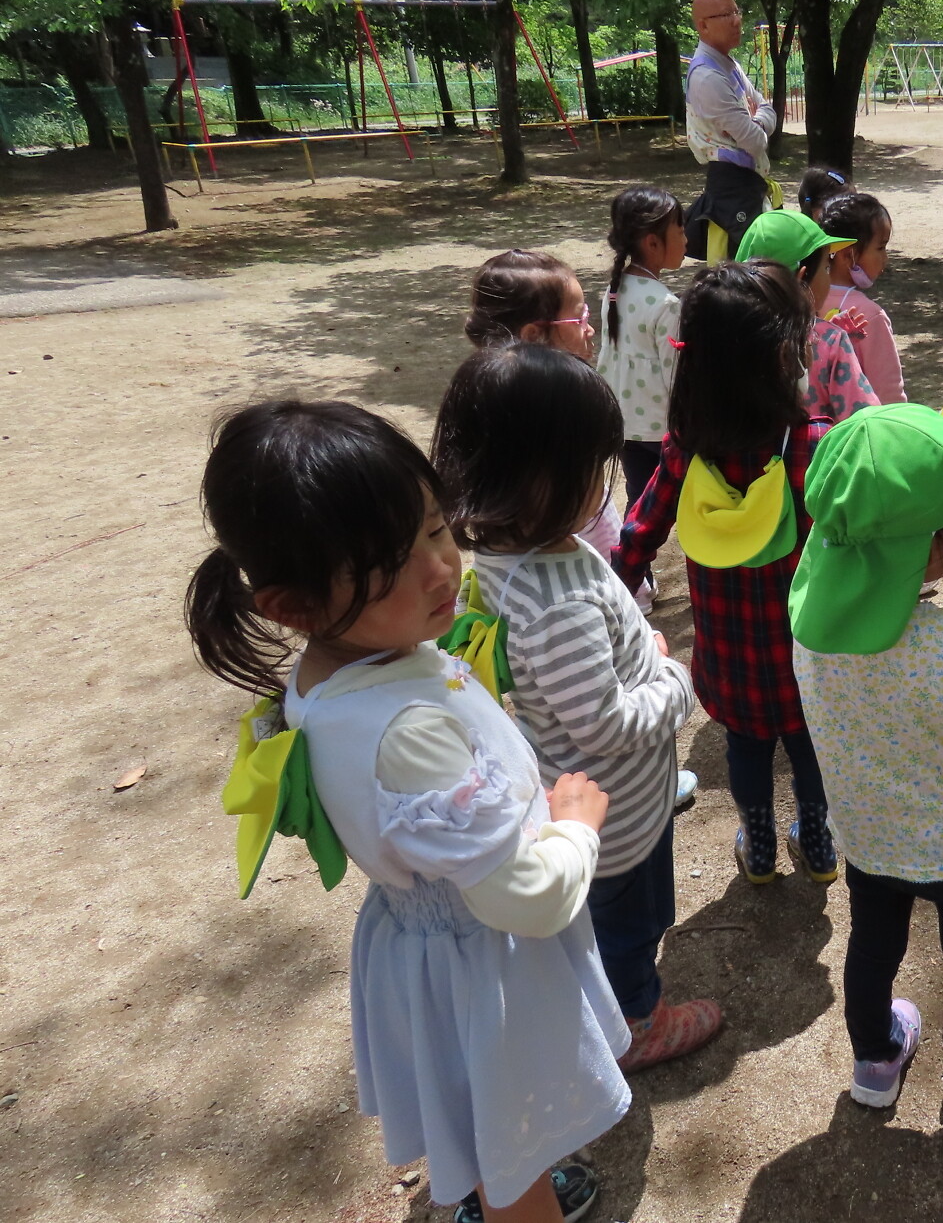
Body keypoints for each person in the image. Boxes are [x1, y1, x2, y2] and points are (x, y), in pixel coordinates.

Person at [186, 399, 627, 1222]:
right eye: (390, 562)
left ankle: (497, 1182)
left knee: (483, 1113)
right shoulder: (407, 732)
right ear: (293, 606)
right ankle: (515, 1198)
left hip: (428, 947)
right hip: (485, 960)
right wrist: (575, 825)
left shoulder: (333, 676)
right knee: (511, 1135)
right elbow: (527, 898)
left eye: (434, 528)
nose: (440, 568)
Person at [432, 344, 722, 1076]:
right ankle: (636, 1023)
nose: (603, 480)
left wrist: (637, 646)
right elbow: (606, 723)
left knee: (613, 921)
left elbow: (582, 668)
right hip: (617, 817)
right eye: (593, 465)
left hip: (605, 800)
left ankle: (610, 1004)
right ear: (541, 476)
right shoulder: (554, 598)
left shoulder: (520, 555)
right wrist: (675, 681)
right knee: (633, 926)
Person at [789, 404, 943, 1111]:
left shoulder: (810, 632)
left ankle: (874, 1060)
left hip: (871, 837)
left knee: (872, 950)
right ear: (934, 549)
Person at [613, 261, 836, 885]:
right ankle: (818, 842)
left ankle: (758, 848)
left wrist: (610, 596)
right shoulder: (814, 445)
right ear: (785, 355)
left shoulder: (687, 448)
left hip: (730, 656)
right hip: (807, 654)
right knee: (810, 747)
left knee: (746, 750)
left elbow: (640, 531)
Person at [465, 249, 650, 607]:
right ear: (534, 335)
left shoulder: (482, 397)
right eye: (579, 318)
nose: (590, 328)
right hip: (579, 579)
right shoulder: (559, 419)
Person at [737, 206, 880, 420]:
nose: (828, 276)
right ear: (801, 278)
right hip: (817, 443)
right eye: (826, 268)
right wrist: (827, 334)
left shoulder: (726, 332)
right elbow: (864, 418)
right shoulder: (831, 342)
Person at [597, 186, 685, 511]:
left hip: (625, 424)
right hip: (662, 429)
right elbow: (676, 376)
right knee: (682, 503)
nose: (686, 239)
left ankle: (632, 546)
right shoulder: (666, 304)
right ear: (652, 242)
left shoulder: (614, 290)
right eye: (680, 230)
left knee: (640, 504)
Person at [684, 0, 778, 262]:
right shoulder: (707, 77)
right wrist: (757, 124)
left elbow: (767, 108)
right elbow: (756, 142)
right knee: (747, 272)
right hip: (732, 190)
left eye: (737, 12)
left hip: (747, 186)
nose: (737, 21)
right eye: (727, 15)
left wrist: (755, 120)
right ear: (703, 25)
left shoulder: (729, 66)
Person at [820, 192, 906, 403]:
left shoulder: (806, 299)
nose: (885, 258)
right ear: (847, 254)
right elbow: (889, 395)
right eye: (880, 247)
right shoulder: (869, 315)